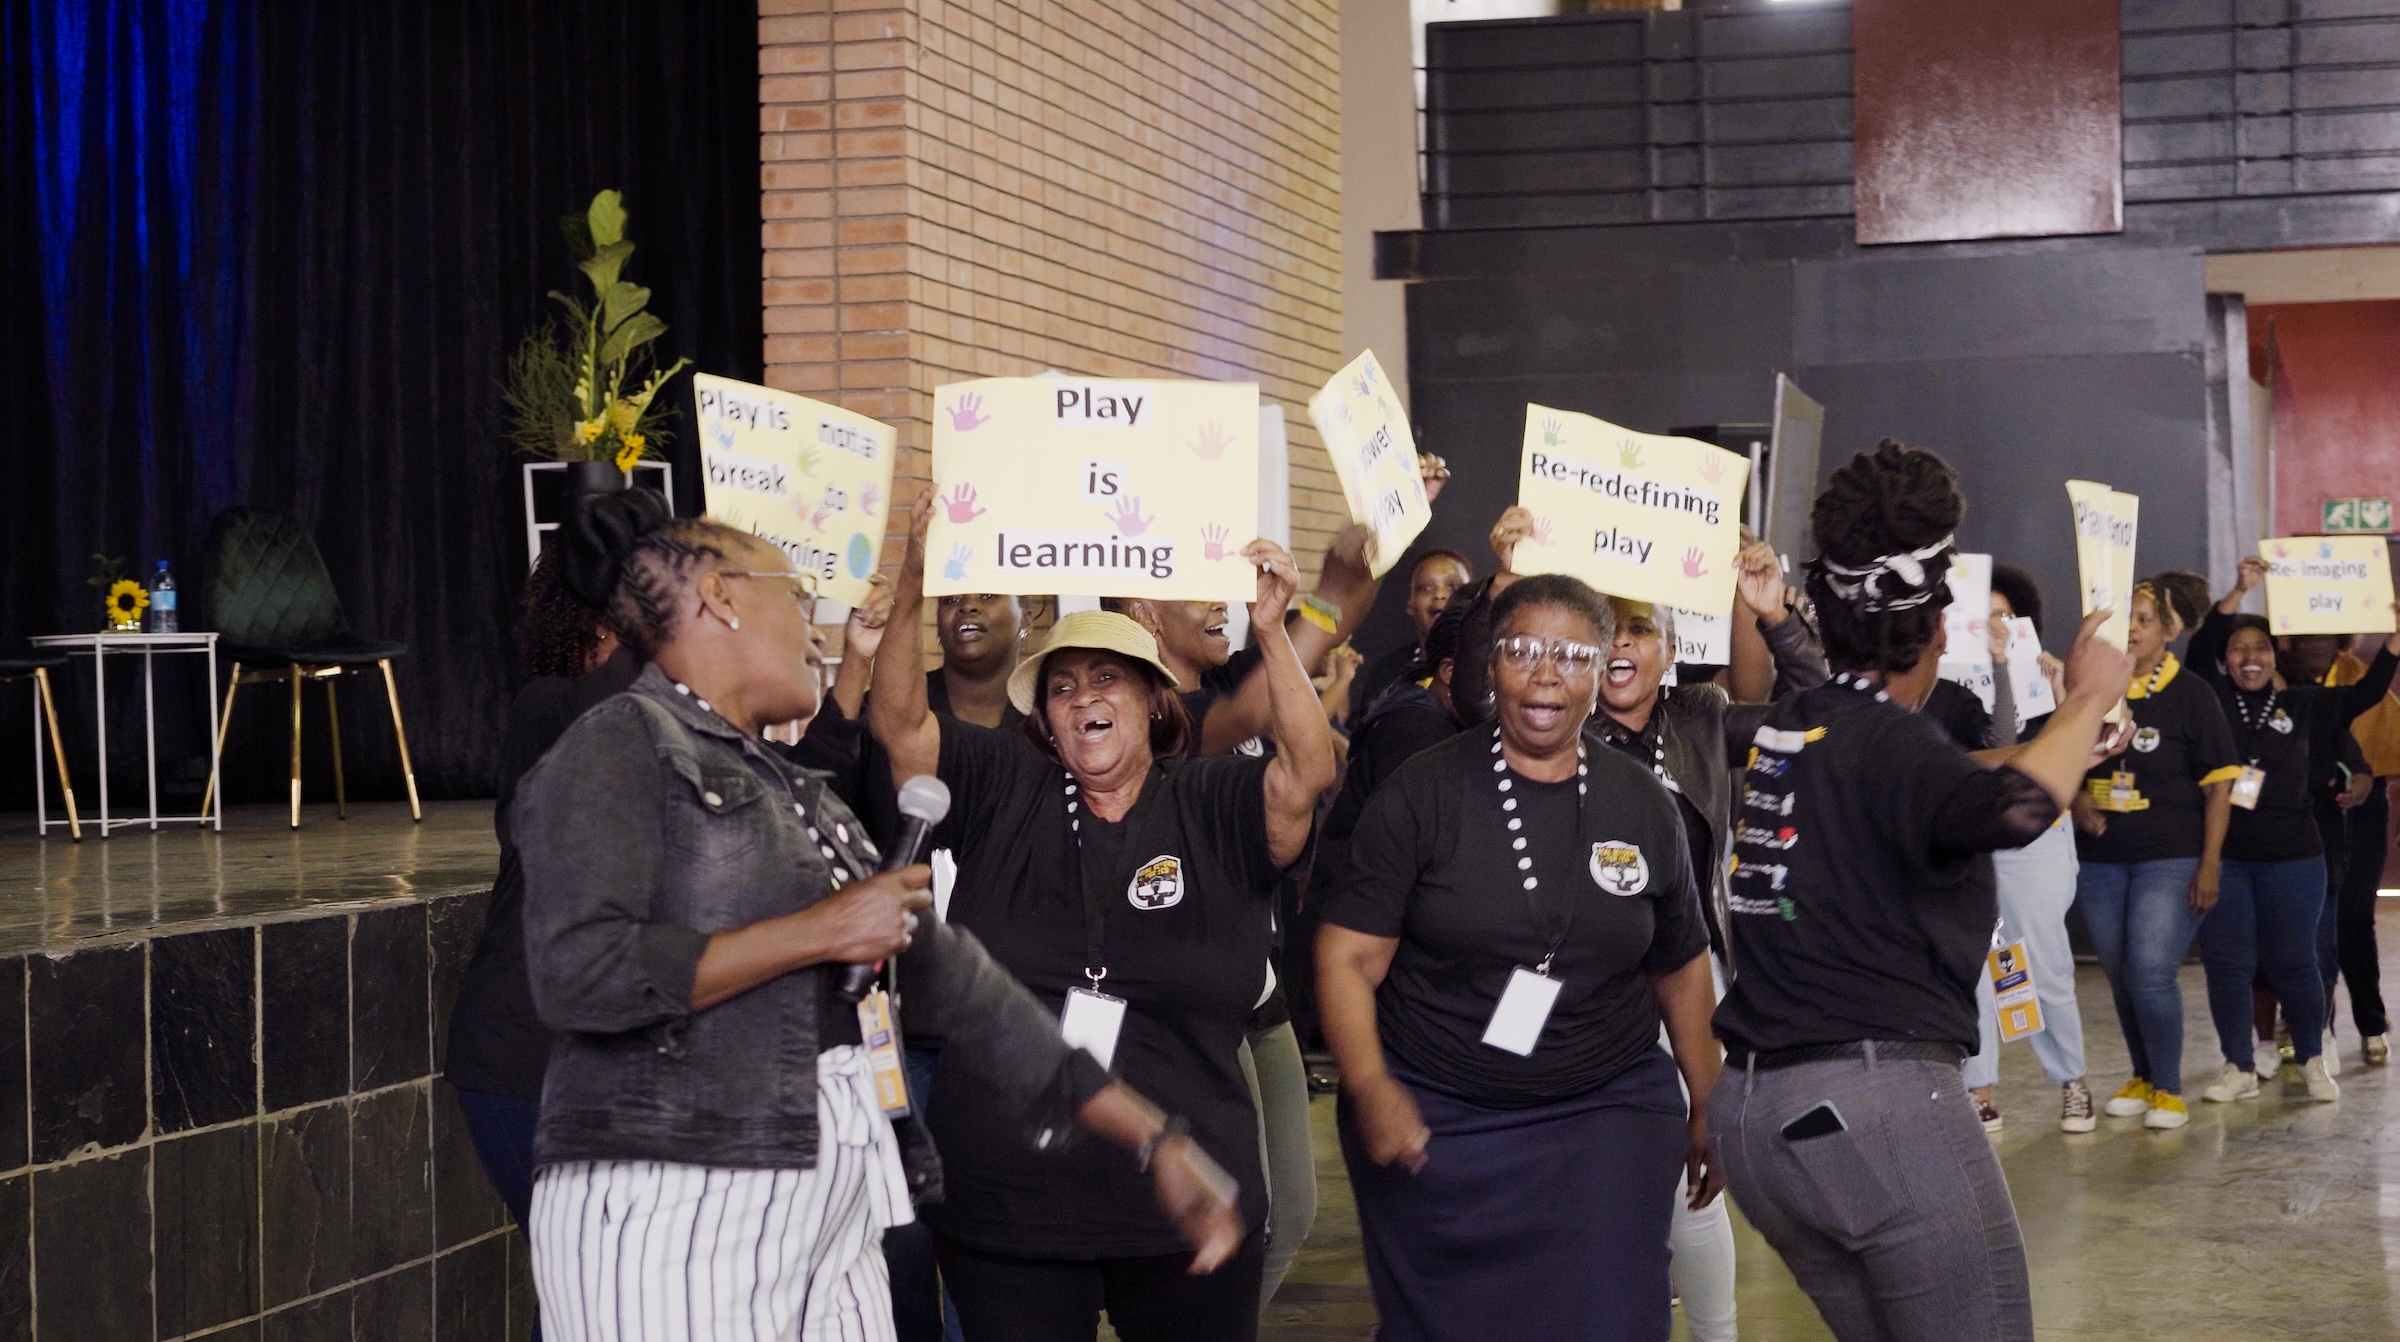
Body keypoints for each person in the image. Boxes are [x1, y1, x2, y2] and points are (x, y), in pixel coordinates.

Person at [515, 496, 1242, 1342]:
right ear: (719, 599)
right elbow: (580, 972)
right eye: (794, 598)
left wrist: (1152, 1137)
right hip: (675, 1197)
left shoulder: (792, 791)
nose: (816, 633)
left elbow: (958, 980)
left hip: (830, 1198)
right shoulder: (618, 745)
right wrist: (819, 932)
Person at [869, 492, 1335, 1342]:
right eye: (1062, 686)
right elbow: (900, 726)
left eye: (1107, 678)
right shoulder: (1006, 785)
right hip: (1013, 1201)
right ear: (1044, 717)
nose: (1083, 696)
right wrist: (911, 587)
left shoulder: (1214, 799)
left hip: (1186, 1187)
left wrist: (1273, 630)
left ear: (1155, 701)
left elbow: (1305, 771)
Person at [1710, 439, 2131, 1342]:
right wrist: (2087, 700)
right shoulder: (1889, 745)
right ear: (1938, 632)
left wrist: (2071, 736)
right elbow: (2016, 807)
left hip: (1757, 1117)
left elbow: (1944, 766)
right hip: (1871, 1103)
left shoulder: (1803, 723)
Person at [447, 529, 884, 1273]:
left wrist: (855, 665)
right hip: (530, 1064)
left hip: (632, 1062)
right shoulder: (569, 715)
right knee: (597, 1288)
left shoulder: (697, 733)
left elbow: (792, 789)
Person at [1317, 574, 1723, 1342]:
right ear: (1491, 664)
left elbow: (1679, 961)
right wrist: (1369, 1085)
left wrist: (1708, 1099)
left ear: (1602, 671)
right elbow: (1346, 958)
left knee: (1614, 1318)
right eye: (1525, 650)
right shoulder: (1425, 791)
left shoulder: (1642, 802)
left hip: (1605, 1105)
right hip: (1438, 1107)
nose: (1546, 673)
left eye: (1572, 655)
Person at [2186, 556, 2399, 1103]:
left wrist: (2394, 643)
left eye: (2258, 648)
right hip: (2228, 857)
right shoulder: (2212, 702)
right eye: (2238, 649)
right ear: (2227, 660)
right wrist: (2237, 592)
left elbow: (2367, 695)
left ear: (2272, 656)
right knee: (2230, 965)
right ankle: (2237, 1065)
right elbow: (2197, 649)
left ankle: (2309, 1057)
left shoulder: (2303, 705)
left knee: (2295, 959)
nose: (2249, 658)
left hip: (2295, 856)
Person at [2073, 578, 2240, 1130]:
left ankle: (2168, 1089)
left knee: (2149, 971)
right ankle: (2142, 1075)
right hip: (2101, 859)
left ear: (2168, 632)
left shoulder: (2193, 695)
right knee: (2121, 975)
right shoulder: (2095, 689)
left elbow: (2219, 787)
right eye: (2127, 619)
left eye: (2145, 620)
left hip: (2169, 857)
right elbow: (2060, 752)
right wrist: (2076, 800)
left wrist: (2210, 864)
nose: (2133, 629)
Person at [1962, 569, 2099, 1134]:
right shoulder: (1948, 683)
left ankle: (2072, 1082)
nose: (1995, 626)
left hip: (2035, 842)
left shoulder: (2049, 681)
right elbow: (1987, 747)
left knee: (2040, 963)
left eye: (2005, 615)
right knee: (1975, 968)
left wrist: (2070, 699)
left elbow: (2076, 748)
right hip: (1969, 837)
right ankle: (1978, 1091)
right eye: (1984, 615)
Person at [2317, 629, 2400, 1064]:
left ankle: (2370, 1021)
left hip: (2363, 810)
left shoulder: (2358, 675)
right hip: (2308, 807)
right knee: (2312, 921)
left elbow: (2386, 739)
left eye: (2322, 637)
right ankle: (2314, 1026)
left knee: (2353, 914)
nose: (2313, 644)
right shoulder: (2281, 681)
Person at [1349, 548, 1476, 720]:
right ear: (1410, 603)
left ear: (1475, 600)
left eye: (1453, 587)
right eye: (1426, 588)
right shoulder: (1385, 672)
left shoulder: (1487, 669)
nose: (1440, 595)